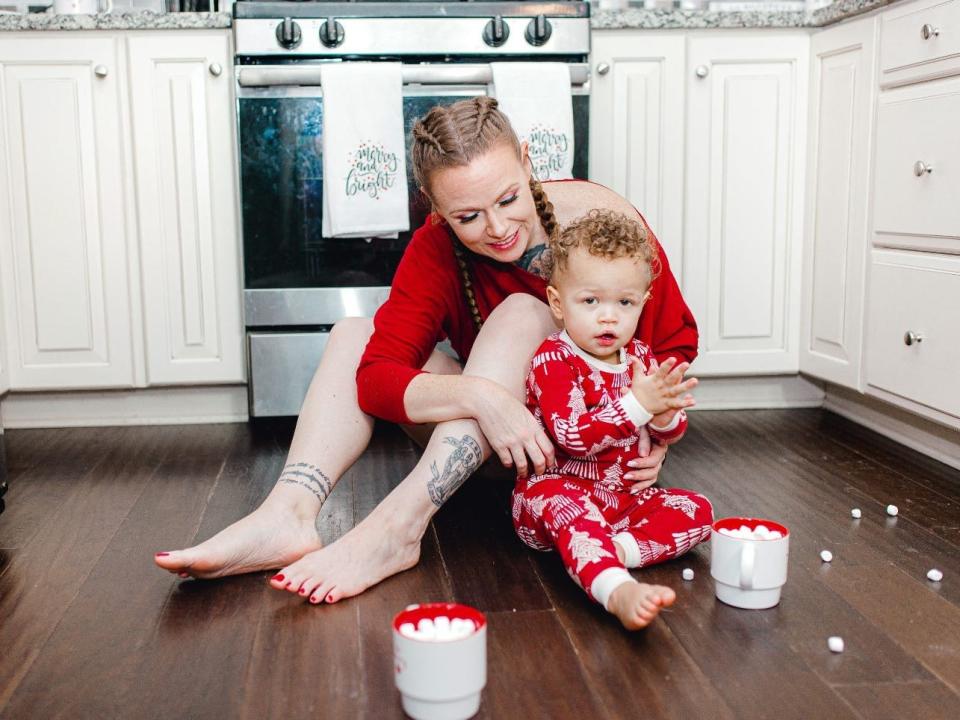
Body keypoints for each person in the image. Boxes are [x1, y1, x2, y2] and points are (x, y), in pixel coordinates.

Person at [154, 97, 698, 606]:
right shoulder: (434, 249)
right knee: (353, 336)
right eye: (467, 217)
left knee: (523, 311)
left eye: (508, 198)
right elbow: (374, 377)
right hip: (501, 445)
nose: (498, 227)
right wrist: (484, 397)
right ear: (435, 209)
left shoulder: (601, 225)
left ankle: (399, 527)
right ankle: (288, 514)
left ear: (528, 161)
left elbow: (673, 344)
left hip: (578, 459)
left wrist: (658, 431)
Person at [513, 209, 713, 630]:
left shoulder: (640, 356)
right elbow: (572, 437)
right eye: (590, 301)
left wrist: (663, 416)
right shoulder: (556, 359)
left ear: (643, 302)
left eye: (624, 302)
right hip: (555, 494)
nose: (609, 317)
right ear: (558, 303)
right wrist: (638, 405)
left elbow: (669, 434)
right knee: (567, 510)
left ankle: (613, 551)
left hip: (623, 502)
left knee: (698, 510)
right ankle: (613, 588)